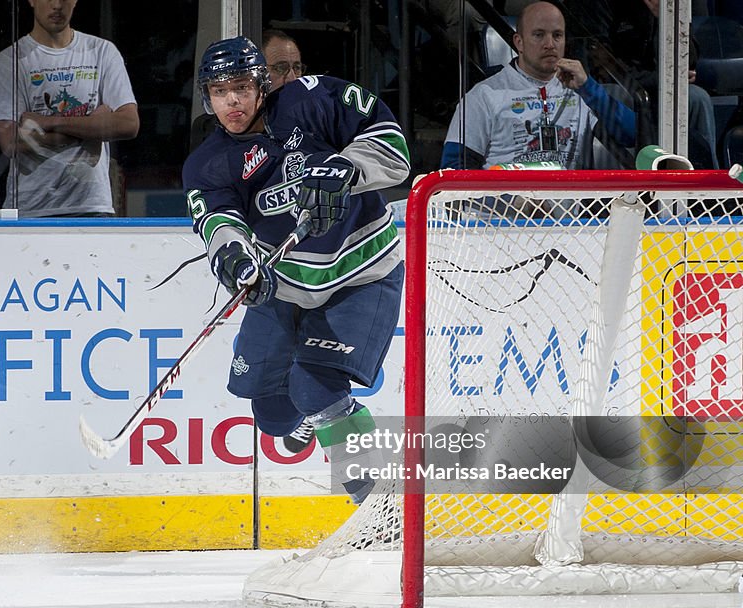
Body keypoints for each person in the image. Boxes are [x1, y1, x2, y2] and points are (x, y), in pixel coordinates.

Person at [182, 37, 410, 501]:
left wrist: (346, 167)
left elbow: (393, 148)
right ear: (206, 97)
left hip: (362, 269)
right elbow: (219, 222)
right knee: (272, 414)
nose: (232, 101)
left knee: (313, 387)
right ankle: (316, 413)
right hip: (285, 285)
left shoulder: (314, 98)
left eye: (242, 87)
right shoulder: (207, 163)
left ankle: (379, 504)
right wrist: (236, 259)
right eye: (219, 91)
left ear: (262, 84)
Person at [0, 0, 139, 217]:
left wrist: (49, 122)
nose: (57, 5)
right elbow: (11, 141)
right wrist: (91, 128)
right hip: (31, 208)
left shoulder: (102, 51)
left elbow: (129, 124)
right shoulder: (11, 60)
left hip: (91, 206)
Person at [441, 1, 635, 170]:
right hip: (501, 212)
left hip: (567, 213)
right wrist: (509, 198)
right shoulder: (484, 95)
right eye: (539, 35)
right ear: (519, 42)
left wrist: (588, 88)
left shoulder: (582, 91)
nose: (549, 44)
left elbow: (632, 135)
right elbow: (452, 170)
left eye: (557, 35)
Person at [604, 0, 719, 168]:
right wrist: (665, 78)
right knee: (616, 95)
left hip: (664, 84)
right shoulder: (608, 5)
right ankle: (627, 184)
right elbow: (603, 58)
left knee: (697, 97)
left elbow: (690, 59)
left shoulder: (672, 4)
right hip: (623, 83)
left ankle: (707, 181)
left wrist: (665, 18)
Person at [189, 29, 304, 152]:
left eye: (297, 68)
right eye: (281, 68)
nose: (292, 79)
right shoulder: (207, 130)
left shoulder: (310, 113)